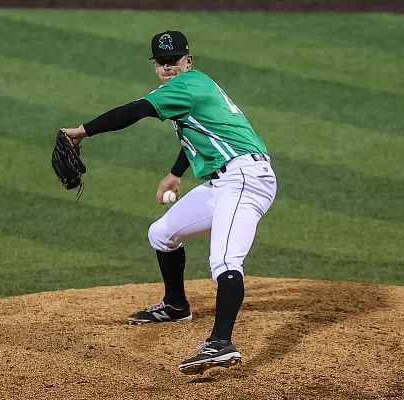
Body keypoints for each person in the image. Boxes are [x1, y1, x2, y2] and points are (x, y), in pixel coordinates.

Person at [61, 30, 277, 375]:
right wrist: (175, 173)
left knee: (224, 260)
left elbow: (136, 110)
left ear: (187, 61)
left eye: (172, 60)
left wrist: (84, 130)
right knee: (161, 234)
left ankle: (221, 343)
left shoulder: (186, 85)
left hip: (247, 180)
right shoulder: (191, 90)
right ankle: (176, 305)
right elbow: (200, 133)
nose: (167, 66)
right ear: (155, 65)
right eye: (160, 62)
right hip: (223, 182)